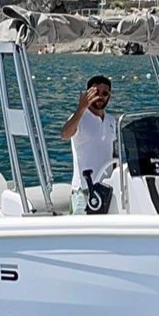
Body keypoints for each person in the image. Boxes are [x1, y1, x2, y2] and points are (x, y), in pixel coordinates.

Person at [61, 74, 118, 214]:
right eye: (96, 93)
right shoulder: (80, 118)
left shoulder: (111, 121)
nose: (100, 97)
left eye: (105, 93)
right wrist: (81, 108)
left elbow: (113, 152)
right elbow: (65, 134)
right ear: (88, 94)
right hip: (84, 191)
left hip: (107, 189)